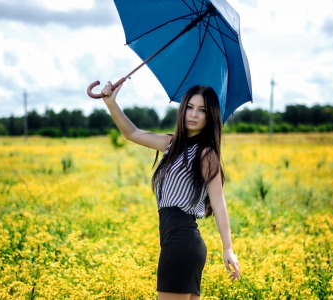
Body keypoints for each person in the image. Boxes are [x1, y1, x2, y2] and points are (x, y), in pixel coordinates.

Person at [100, 82, 240, 300]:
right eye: (190, 107)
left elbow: (219, 202)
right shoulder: (171, 144)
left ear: (210, 116)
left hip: (181, 244)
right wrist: (111, 103)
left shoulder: (206, 154)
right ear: (182, 108)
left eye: (202, 110)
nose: (193, 114)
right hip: (177, 244)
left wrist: (228, 248)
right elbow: (132, 133)